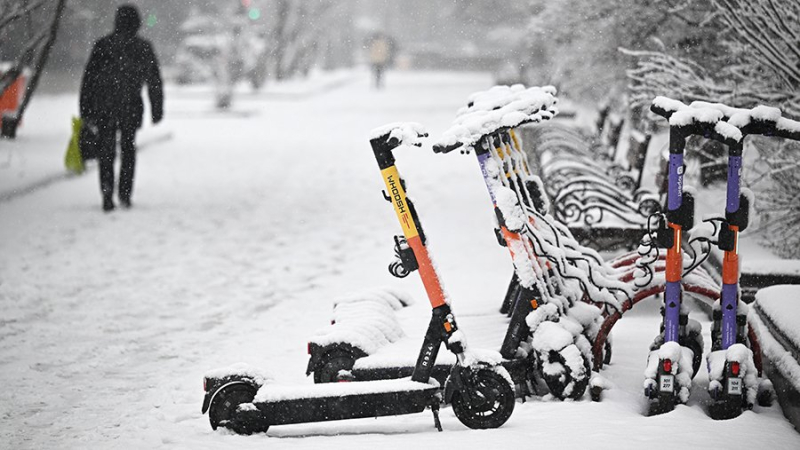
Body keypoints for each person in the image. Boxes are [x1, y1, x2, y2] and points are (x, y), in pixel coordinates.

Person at [80, 4, 163, 212]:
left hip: (105, 106)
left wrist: (86, 109)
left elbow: (89, 80)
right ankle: (125, 193)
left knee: (106, 150)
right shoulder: (143, 47)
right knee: (128, 149)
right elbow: (154, 81)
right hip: (131, 106)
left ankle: (107, 192)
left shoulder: (103, 45)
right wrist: (156, 108)